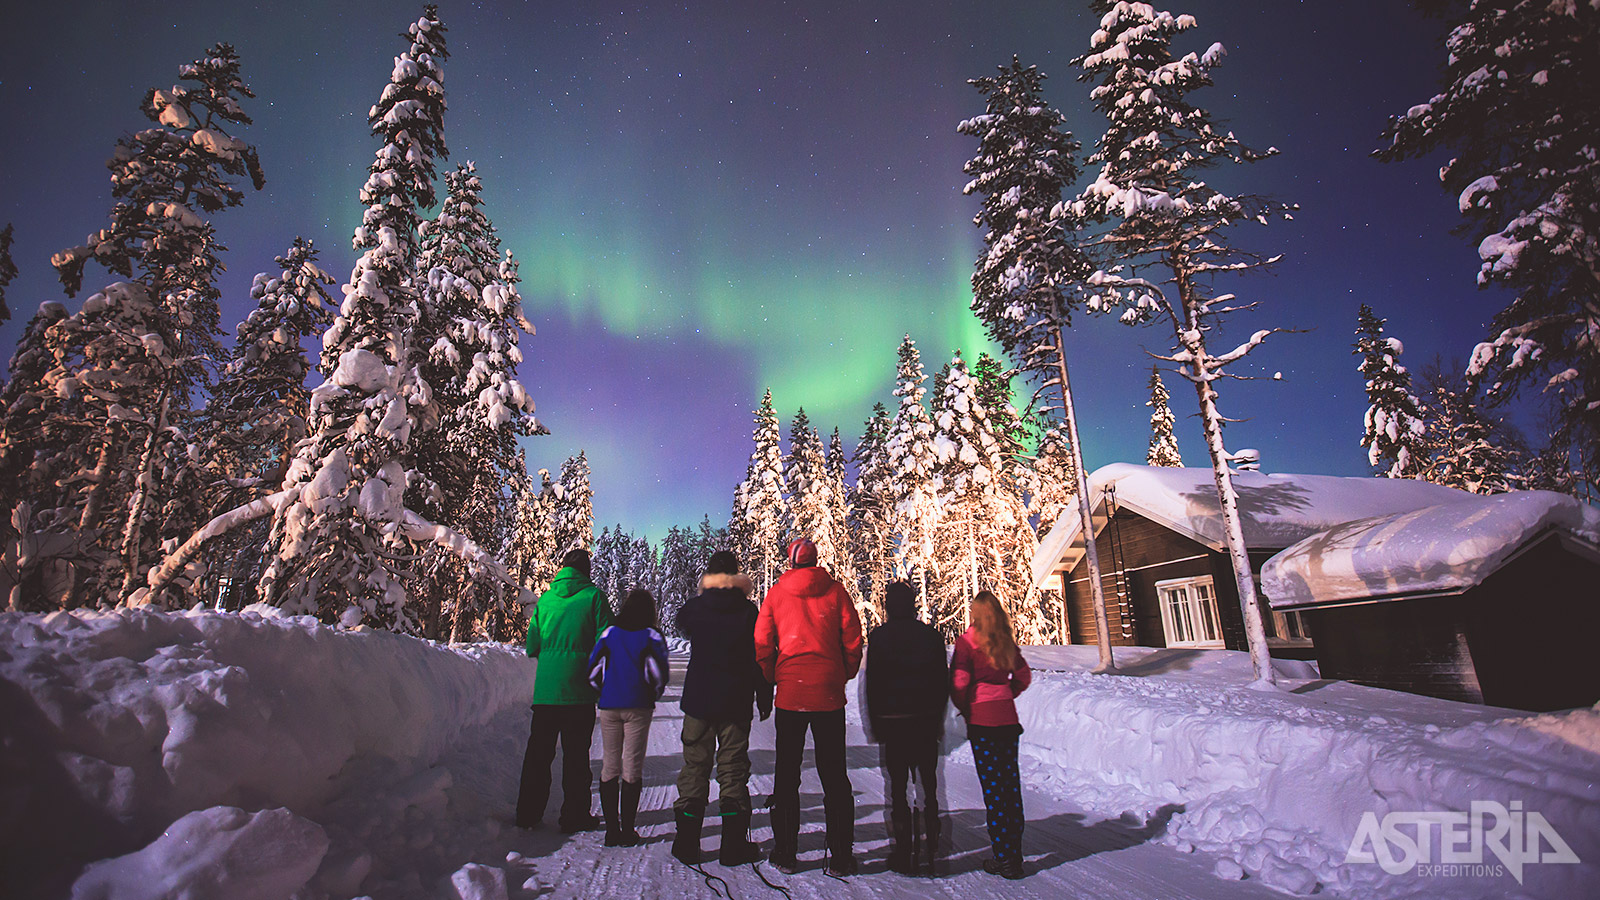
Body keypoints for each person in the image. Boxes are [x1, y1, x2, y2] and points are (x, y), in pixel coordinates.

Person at [754, 537, 864, 876]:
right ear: (815, 561)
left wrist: (775, 676)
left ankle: (786, 852)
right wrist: (842, 673)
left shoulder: (776, 593)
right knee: (834, 775)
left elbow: (762, 642)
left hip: (791, 696)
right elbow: (853, 640)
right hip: (828, 695)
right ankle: (841, 858)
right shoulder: (836, 592)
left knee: (787, 774)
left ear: (791, 561)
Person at [672, 551, 773, 866]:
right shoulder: (748, 611)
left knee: (694, 767)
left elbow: (681, 622)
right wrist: (764, 696)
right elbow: (759, 656)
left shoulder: (697, 608)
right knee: (733, 770)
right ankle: (732, 847)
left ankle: (687, 843)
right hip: (735, 700)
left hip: (699, 701)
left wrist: (703, 596)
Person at [516, 548, 612, 832]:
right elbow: (607, 641)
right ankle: (574, 816)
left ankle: (527, 815)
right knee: (576, 757)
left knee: (538, 755)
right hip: (579, 692)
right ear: (587, 571)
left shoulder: (545, 600)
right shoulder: (594, 597)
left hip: (546, 693)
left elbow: (532, 645)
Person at [864, 581, 949, 875]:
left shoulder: (879, 637)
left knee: (898, 789)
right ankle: (933, 846)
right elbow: (942, 683)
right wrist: (938, 720)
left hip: (893, 724)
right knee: (929, 786)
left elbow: (872, 685)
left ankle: (902, 850)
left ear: (889, 605)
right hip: (924, 722)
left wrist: (875, 725)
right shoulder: (931, 637)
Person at [949, 590, 1032, 880]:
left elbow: (959, 681)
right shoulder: (1004, 640)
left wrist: (966, 706)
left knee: (993, 789)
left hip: (982, 723)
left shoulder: (967, 642)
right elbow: (1023, 676)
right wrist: (1007, 694)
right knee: (1010, 786)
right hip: (1008, 722)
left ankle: (1003, 856)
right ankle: (1015, 854)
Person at [588, 588, 670, 847]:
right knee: (632, 768)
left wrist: (603, 693)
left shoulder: (609, 633)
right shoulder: (652, 636)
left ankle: (611, 830)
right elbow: (659, 674)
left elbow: (593, 669)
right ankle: (628, 831)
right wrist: (650, 695)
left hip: (610, 706)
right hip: (638, 707)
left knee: (609, 766)